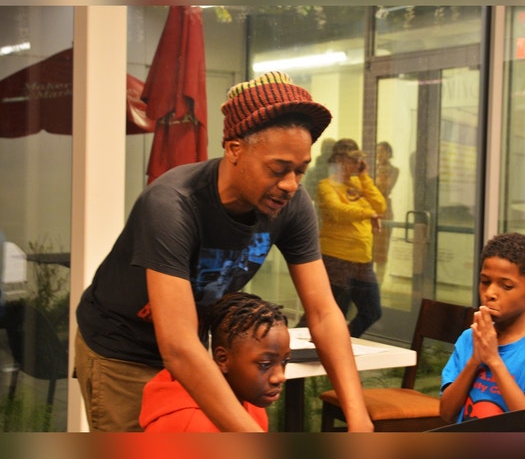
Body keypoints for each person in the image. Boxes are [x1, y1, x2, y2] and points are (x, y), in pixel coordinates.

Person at [74, 71, 374, 432]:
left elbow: (324, 314)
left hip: (196, 350)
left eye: (300, 171)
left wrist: (358, 419)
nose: (290, 185)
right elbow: (178, 346)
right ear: (234, 149)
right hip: (122, 350)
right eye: (277, 169)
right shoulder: (172, 203)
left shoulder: (293, 205)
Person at [439, 232, 525, 423]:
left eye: (506, 286)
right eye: (485, 282)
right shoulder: (469, 338)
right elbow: (446, 413)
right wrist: (474, 361)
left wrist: (493, 360)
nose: (490, 293)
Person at [139, 292, 290, 432]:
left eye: (284, 361)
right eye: (265, 364)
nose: (280, 377)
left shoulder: (252, 403)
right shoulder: (189, 424)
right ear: (222, 359)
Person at [315, 138, 387, 337]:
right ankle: (322, 347)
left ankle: (342, 341)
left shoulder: (358, 183)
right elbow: (337, 211)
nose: (357, 164)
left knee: (372, 311)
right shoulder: (326, 186)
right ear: (339, 160)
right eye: (352, 160)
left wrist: (364, 177)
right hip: (337, 258)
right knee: (335, 313)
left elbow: (380, 206)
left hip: (362, 261)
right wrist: (368, 214)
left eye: (358, 160)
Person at [372, 141, 399, 284]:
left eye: (382, 151)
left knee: (381, 252)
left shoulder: (394, 170)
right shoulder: (371, 168)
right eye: (377, 151)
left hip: (384, 211)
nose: (379, 154)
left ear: (389, 153)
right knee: (368, 249)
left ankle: (379, 285)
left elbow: (384, 187)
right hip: (369, 209)